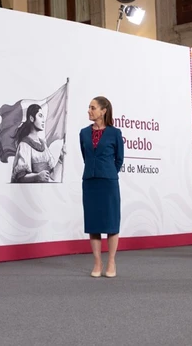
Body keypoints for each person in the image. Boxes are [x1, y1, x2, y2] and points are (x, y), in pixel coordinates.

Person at [80, 96, 123, 278]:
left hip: (109, 182)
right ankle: (97, 262)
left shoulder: (115, 133)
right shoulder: (83, 133)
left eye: (93, 107)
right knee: (93, 224)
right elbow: (85, 155)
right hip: (90, 181)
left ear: (103, 111)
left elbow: (119, 159)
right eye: (89, 107)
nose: (89, 111)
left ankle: (111, 261)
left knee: (112, 223)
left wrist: (108, 172)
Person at [10, 104, 66, 183]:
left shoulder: (43, 144)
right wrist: (37, 176)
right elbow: (20, 177)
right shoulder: (24, 145)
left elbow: (52, 177)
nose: (43, 120)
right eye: (40, 116)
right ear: (32, 118)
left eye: (43, 117)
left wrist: (61, 159)